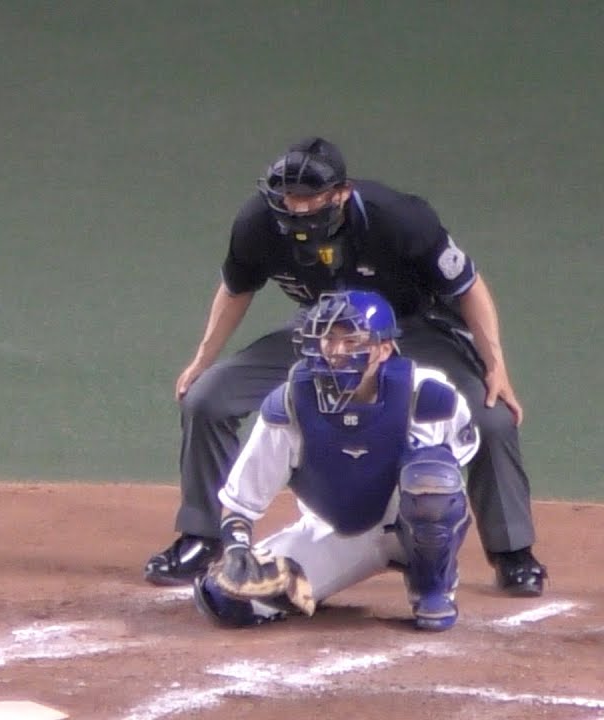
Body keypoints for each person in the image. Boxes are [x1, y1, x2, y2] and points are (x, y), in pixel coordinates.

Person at [145, 136, 547, 596]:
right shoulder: (259, 223)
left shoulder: (397, 217)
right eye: (288, 196)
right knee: (207, 398)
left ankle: (513, 551)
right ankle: (201, 537)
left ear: (341, 192)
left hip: (410, 330)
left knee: (492, 416)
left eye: (309, 196)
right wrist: (203, 359)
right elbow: (236, 289)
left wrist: (496, 366)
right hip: (324, 335)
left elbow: (468, 286)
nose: (297, 206)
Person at [192, 289, 478, 631]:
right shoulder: (291, 404)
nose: (337, 351)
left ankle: (432, 583)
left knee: (431, 479)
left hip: (407, 524)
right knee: (225, 599)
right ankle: (311, 580)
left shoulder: (426, 395)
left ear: (384, 349)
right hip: (338, 530)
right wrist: (237, 550)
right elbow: (241, 501)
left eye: (352, 341)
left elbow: (451, 479)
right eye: (329, 339)